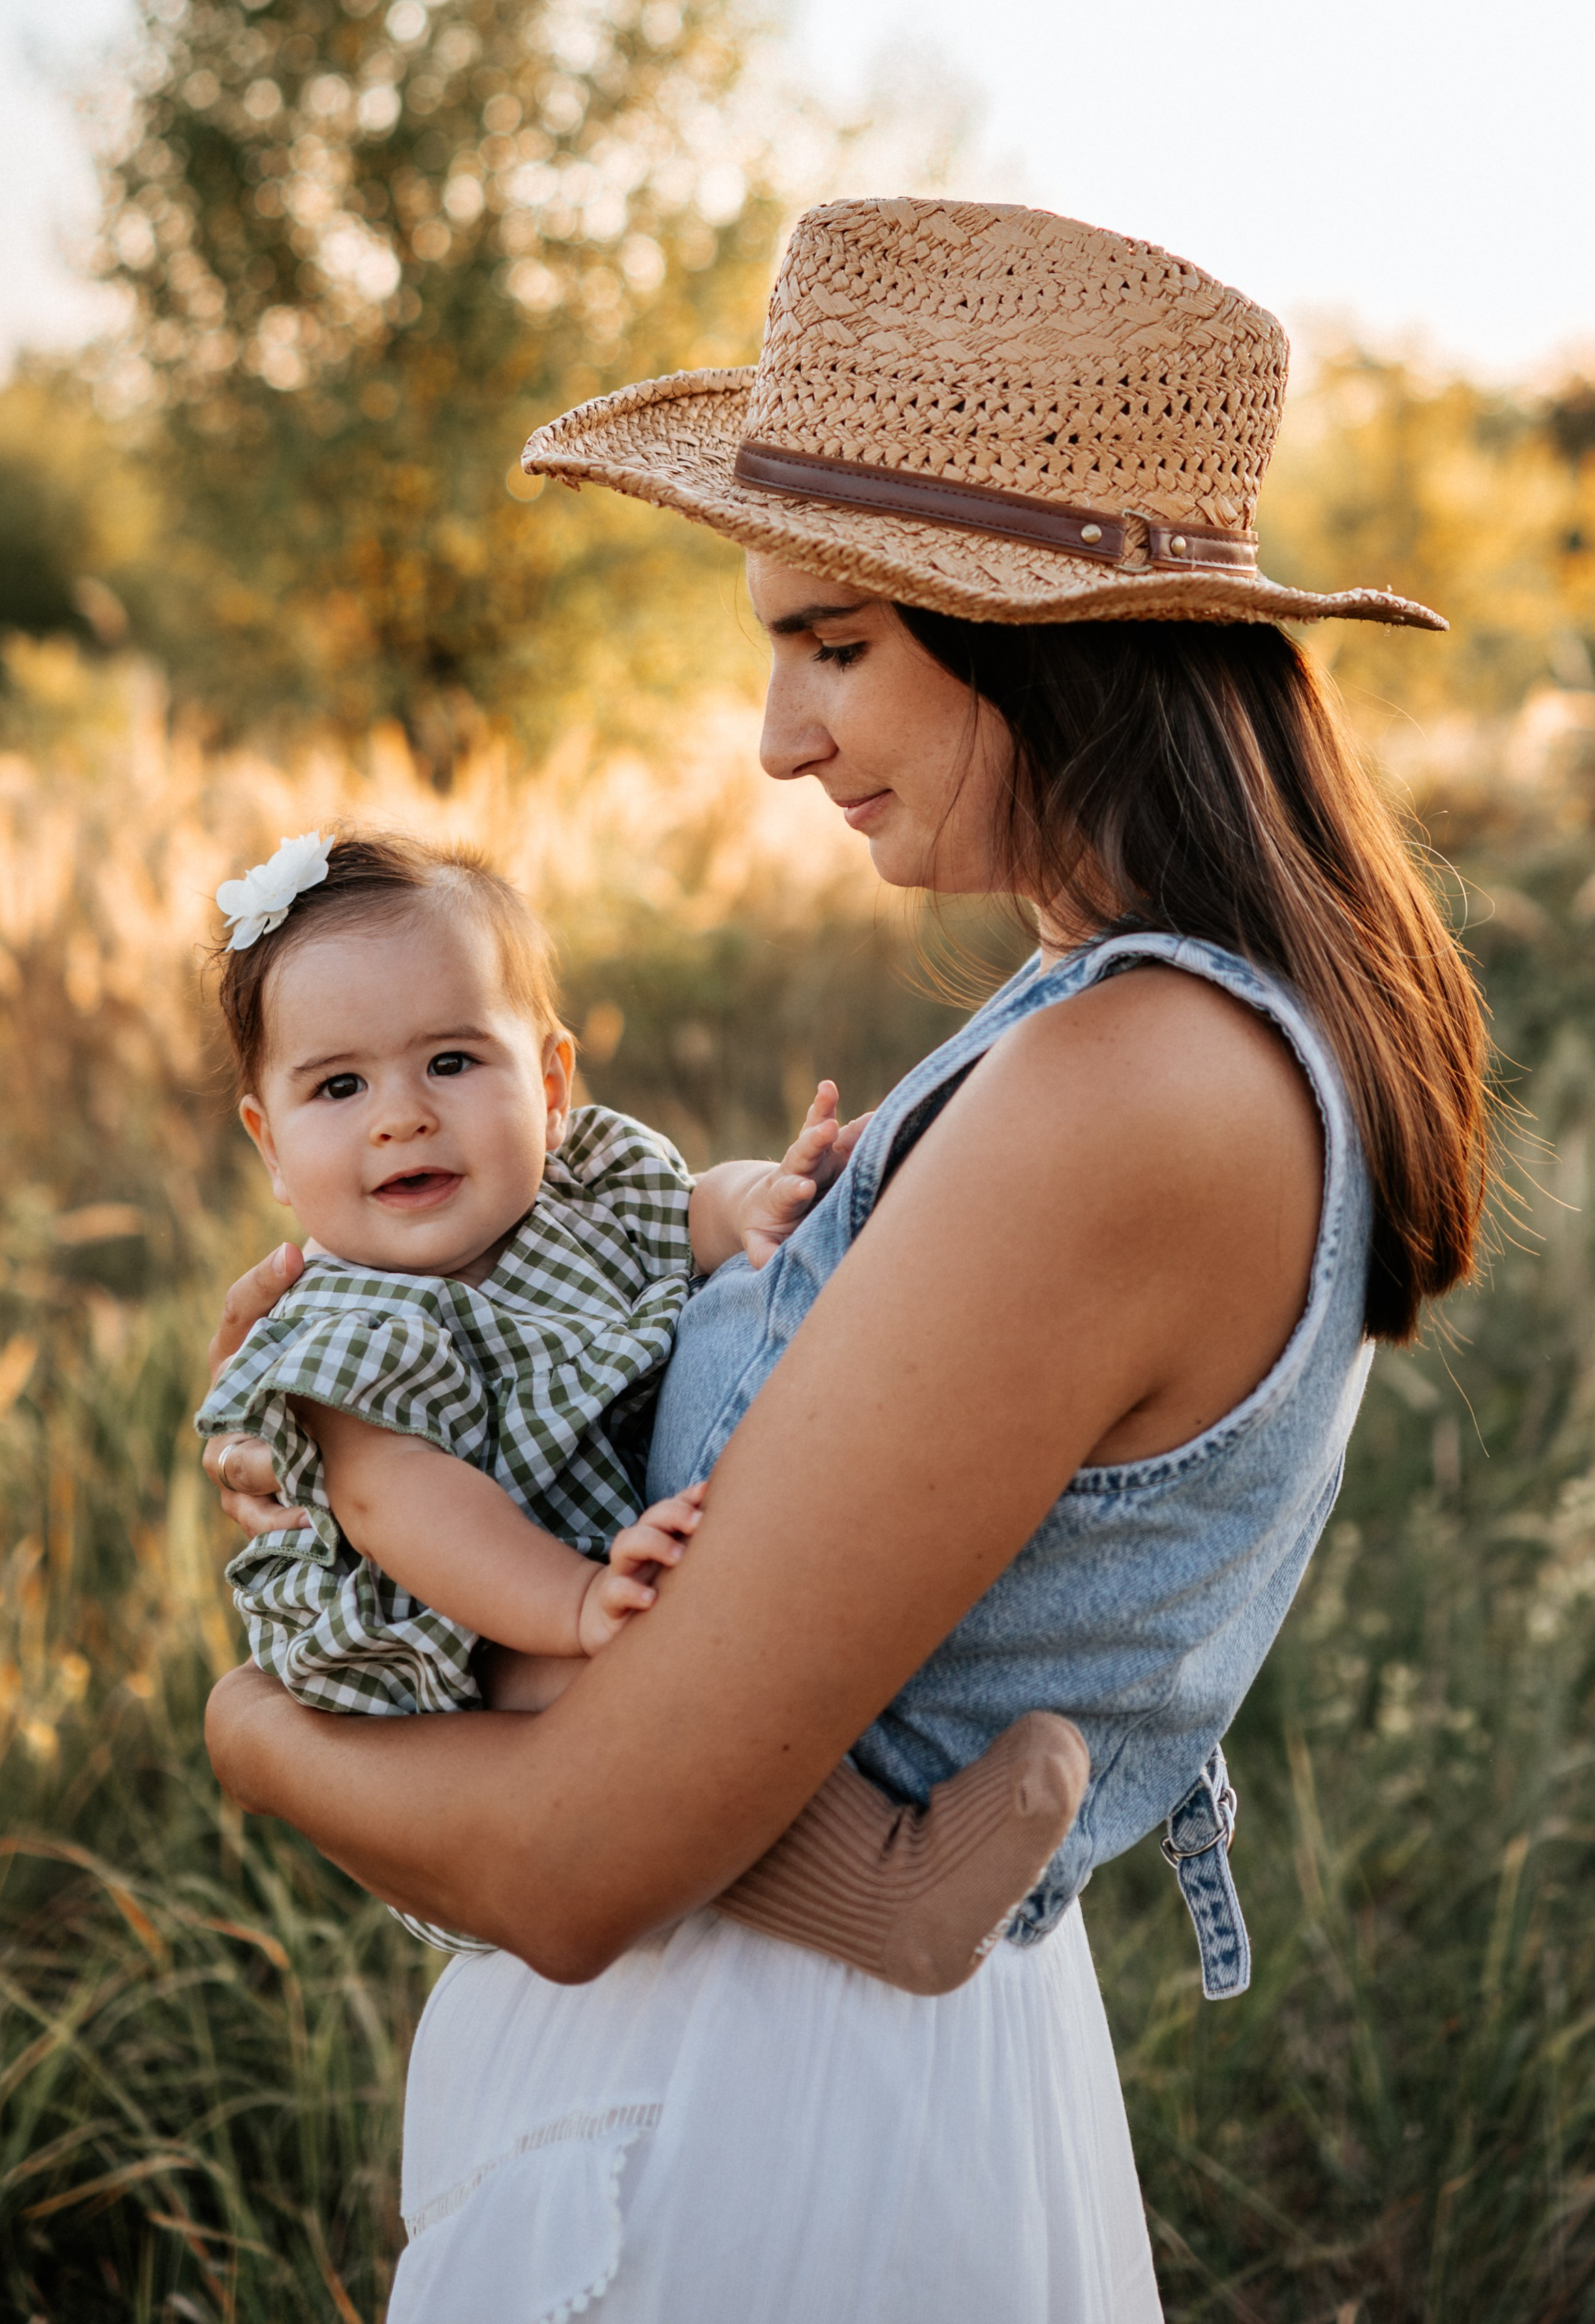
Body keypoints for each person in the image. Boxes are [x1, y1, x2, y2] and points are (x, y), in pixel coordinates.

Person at [202, 198, 1487, 2324]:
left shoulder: (1135, 1087)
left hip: (769, 2131)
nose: (780, 742)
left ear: (1044, 635)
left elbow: (579, 1864)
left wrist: (249, 1715)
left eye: (834, 645)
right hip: (807, 2069)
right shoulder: (1105, 1024)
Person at [199, 823, 1089, 1977]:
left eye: (453, 1063)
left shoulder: (584, 1189)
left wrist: (758, 1202)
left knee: (698, 1693)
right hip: (456, 1637)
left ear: (552, 1081)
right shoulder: (343, 1328)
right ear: (270, 1145)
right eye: (338, 1086)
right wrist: (570, 1604)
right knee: (641, 1715)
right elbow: (400, 1507)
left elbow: (682, 1208)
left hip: (571, 1572)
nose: (400, 1116)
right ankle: (884, 1890)